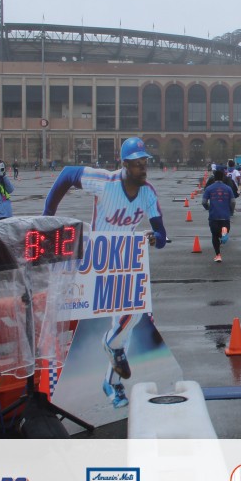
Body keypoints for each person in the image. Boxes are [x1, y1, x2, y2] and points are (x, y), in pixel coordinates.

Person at [42, 136, 167, 409]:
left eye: (145, 162)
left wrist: (155, 237)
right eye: (137, 163)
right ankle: (104, 357)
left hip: (124, 260)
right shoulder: (105, 181)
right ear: (124, 165)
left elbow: (161, 233)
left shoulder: (148, 193)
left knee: (130, 320)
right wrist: (47, 214)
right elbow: (68, 174)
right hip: (97, 258)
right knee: (126, 319)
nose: (143, 167)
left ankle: (111, 380)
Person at [202, 167, 236, 262]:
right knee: (224, 231)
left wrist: (208, 208)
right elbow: (233, 202)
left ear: (214, 177)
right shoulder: (228, 188)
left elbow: (204, 202)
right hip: (225, 215)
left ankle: (218, 255)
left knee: (214, 236)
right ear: (223, 177)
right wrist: (231, 210)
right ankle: (224, 232)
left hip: (214, 215)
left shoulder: (209, 188)